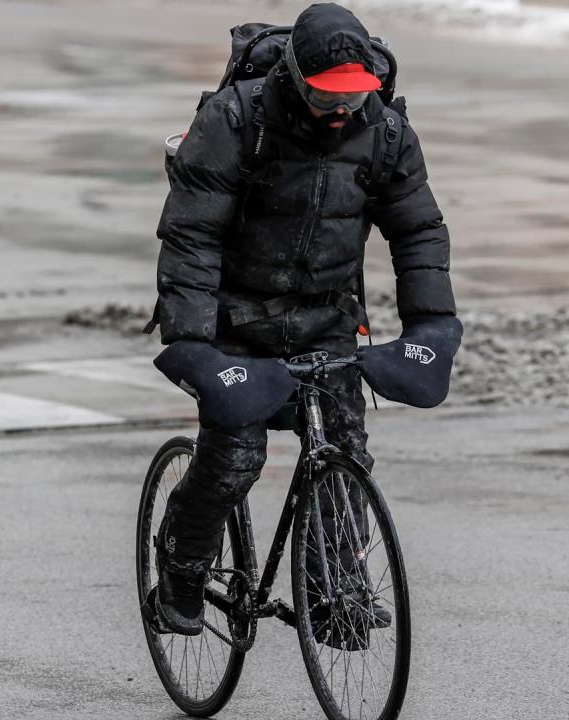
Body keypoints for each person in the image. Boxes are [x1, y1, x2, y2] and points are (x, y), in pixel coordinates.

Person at [149, 3, 455, 638]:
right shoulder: (236, 120)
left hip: (328, 317)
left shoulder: (387, 133)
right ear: (294, 76)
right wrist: (193, 342)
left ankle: (332, 592)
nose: (341, 110)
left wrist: (430, 326)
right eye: (325, 96)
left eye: (353, 96)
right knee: (236, 458)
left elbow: (418, 231)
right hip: (235, 320)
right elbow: (191, 235)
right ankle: (181, 568)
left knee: (345, 454)